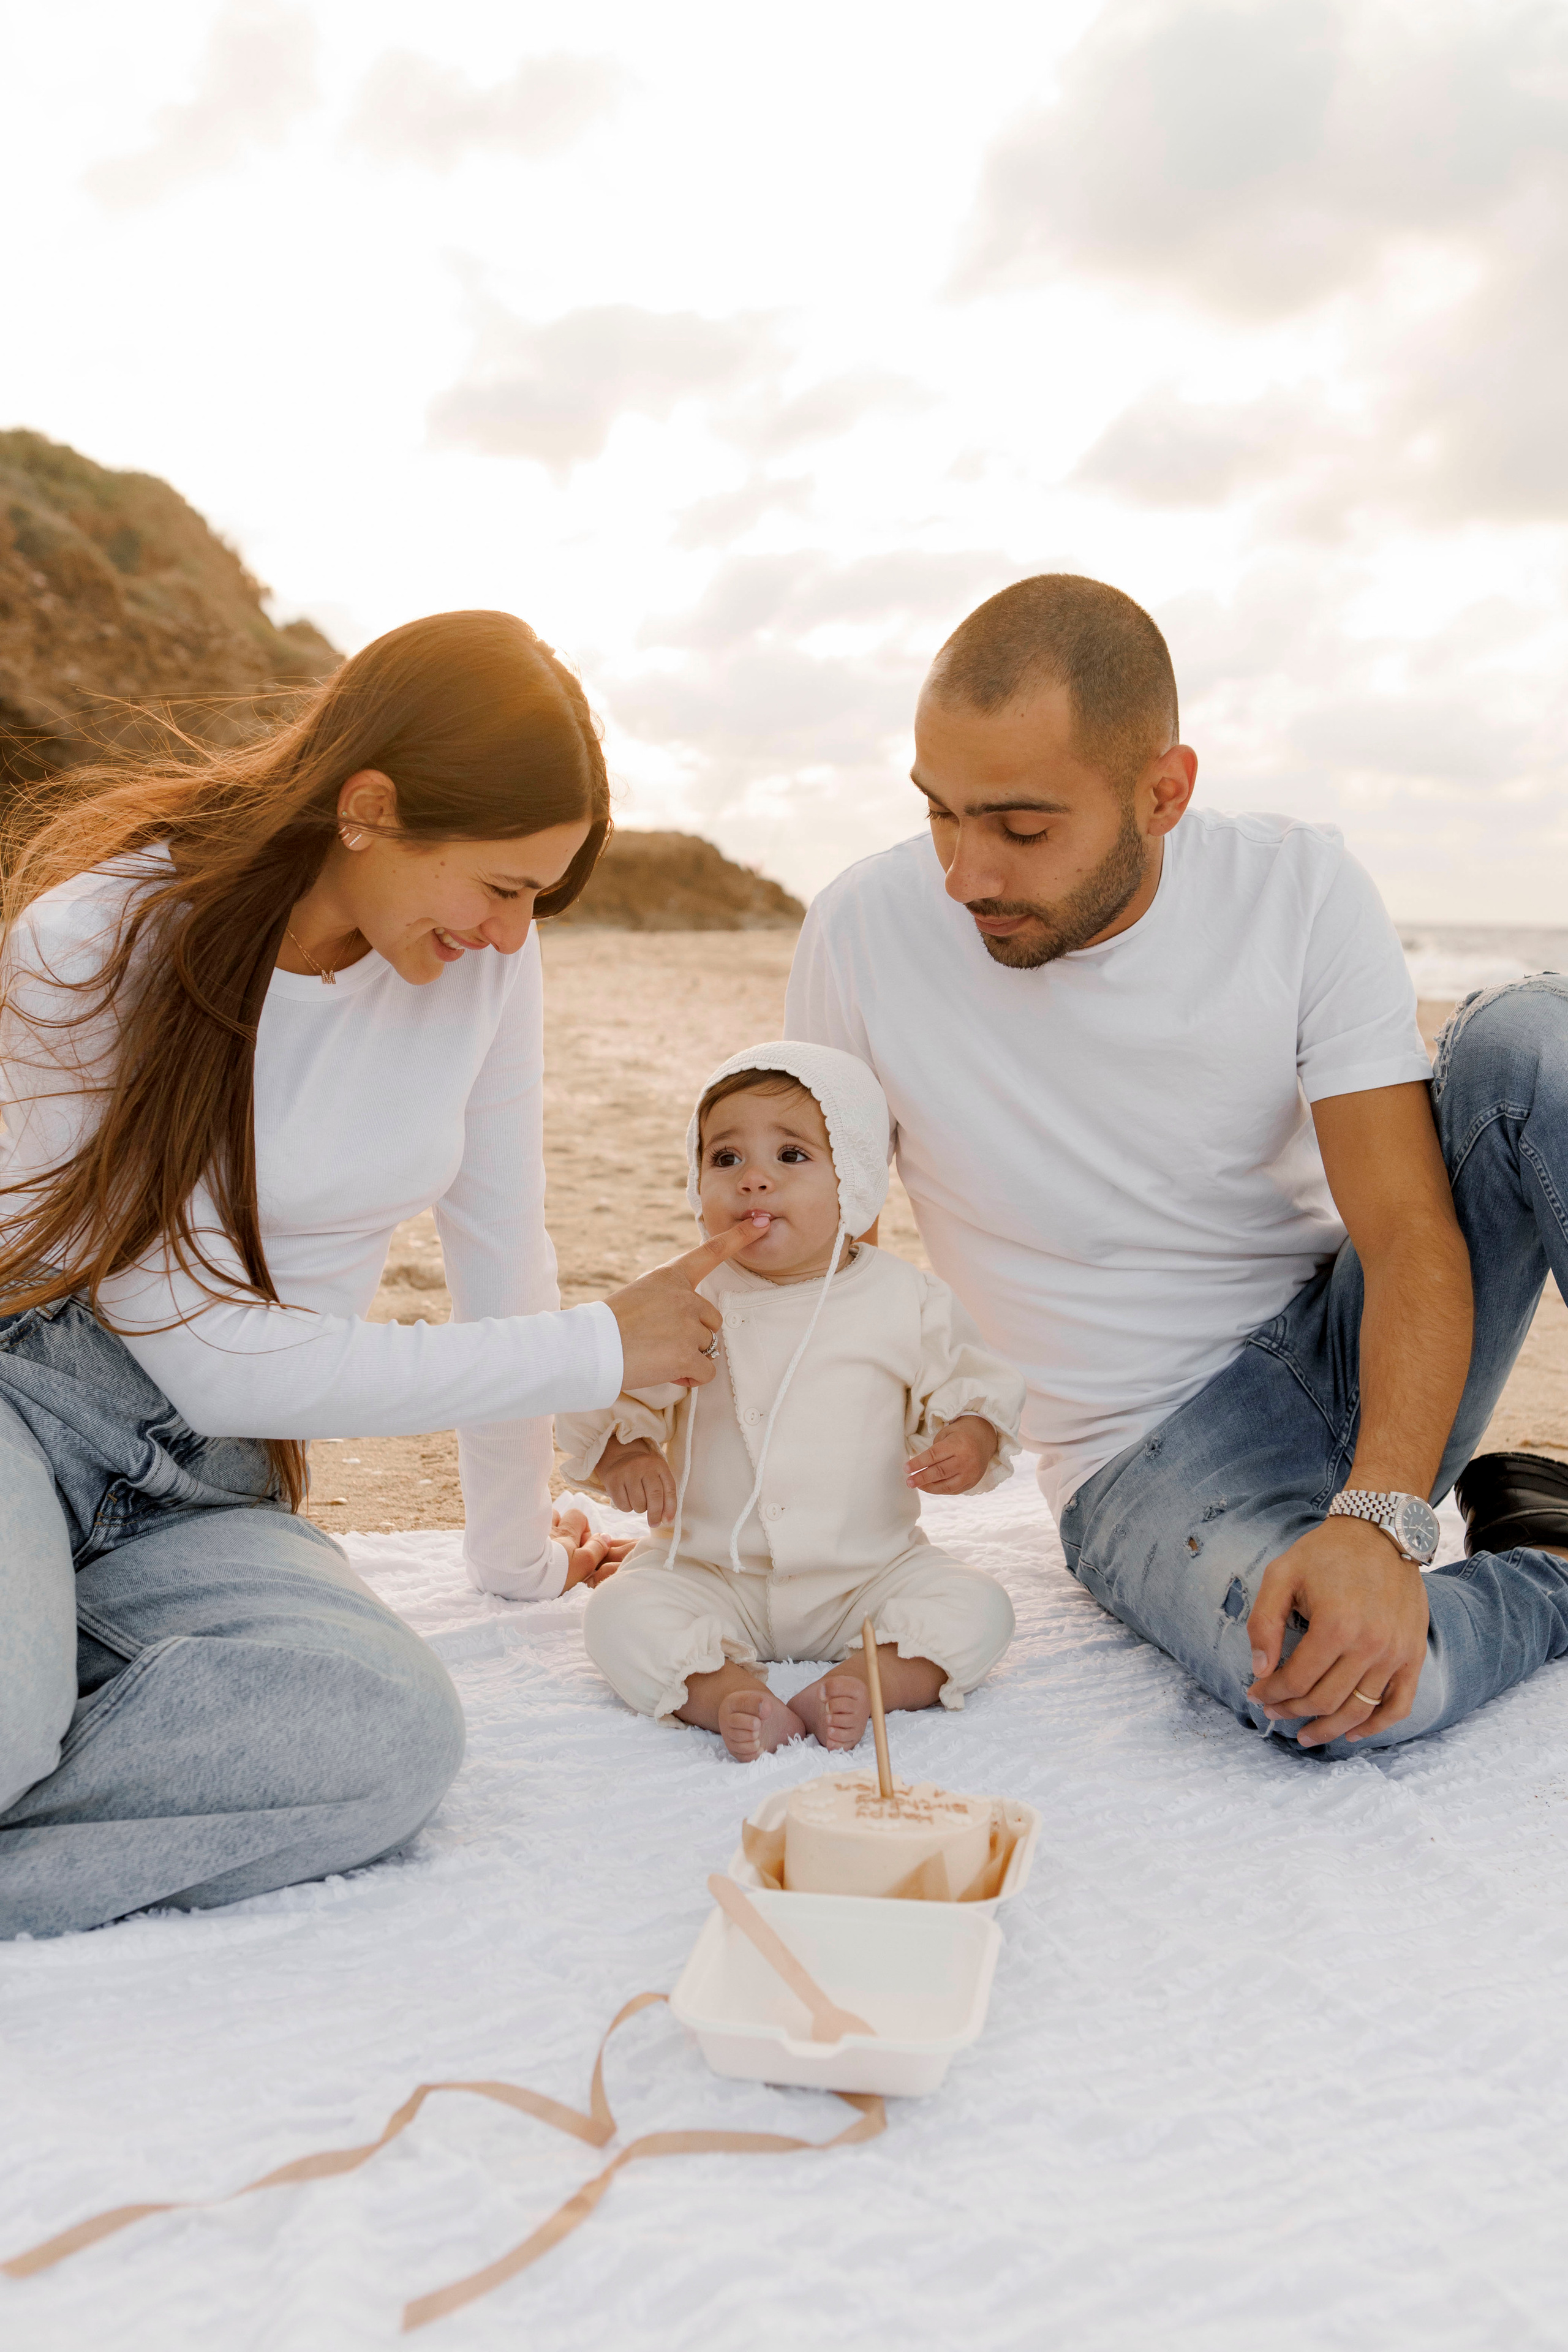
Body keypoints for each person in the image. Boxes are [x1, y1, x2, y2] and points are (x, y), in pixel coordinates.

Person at [0, 609, 737, 1937]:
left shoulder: (478, 975)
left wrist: (512, 1557)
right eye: (501, 888)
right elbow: (212, 1355)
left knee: (390, 1737)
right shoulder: (93, 939)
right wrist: (600, 1348)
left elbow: (503, 1253)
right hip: (26, 1415)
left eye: (538, 901)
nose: (513, 935)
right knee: (4, 1730)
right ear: (371, 808)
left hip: (205, 1494)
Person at [787, 572, 1568, 1757]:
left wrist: (1380, 1514)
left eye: (1021, 826)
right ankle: (1553, 1560)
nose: (965, 874)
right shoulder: (861, 933)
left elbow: (1408, 1228)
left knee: (1533, 1037)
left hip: (1353, 1333)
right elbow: (817, 1263)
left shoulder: (1297, 889)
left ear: (1165, 791)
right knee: (1337, 1690)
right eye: (939, 811)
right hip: (1144, 1455)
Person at [558, 1043, 1023, 1762]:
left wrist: (970, 1437)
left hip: (870, 1572)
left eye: (791, 1158)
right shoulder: (688, 1299)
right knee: (618, 1613)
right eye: (726, 1159)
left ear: (856, 1181)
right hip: (711, 1572)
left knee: (979, 1607)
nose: (754, 1182)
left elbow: (972, 1385)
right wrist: (625, 1450)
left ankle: (872, 1678)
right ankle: (722, 1691)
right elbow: (615, 1388)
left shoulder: (905, 1299)